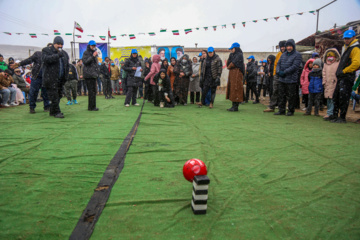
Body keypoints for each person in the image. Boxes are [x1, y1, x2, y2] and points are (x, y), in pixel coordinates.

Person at [331, 30, 360, 123]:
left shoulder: (355, 48)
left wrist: (344, 71)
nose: (346, 40)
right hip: (341, 76)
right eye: (345, 38)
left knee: (344, 96)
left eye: (348, 38)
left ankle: (342, 117)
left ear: (354, 37)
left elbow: (356, 63)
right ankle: (334, 115)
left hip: (347, 76)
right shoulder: (346, 47)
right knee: (336, 96)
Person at [42, 36, 69, 118]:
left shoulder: (64, 53)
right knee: (54, 96)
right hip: (50, 78)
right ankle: (57, 112)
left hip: (60, 79)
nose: (60, 46)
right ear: (54, 44)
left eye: (61, 44)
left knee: (59, 95)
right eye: (58, 44)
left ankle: (52, 111)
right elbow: (46, 60)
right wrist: (57, 55)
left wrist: (66, 77)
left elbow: (66, 66)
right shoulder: (46, 50)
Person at [19, 44, 50, 113]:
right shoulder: (38, 54)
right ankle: (32, 107)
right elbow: (29, 60)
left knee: (46, 93)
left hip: (46, 78)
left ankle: (47, 106)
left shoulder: (51, 57)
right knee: (33, 93)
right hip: (36, 77)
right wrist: (19, 64)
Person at [275, 39, 302, 116]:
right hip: (282, 78)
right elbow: (278, 64)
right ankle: (281, 110)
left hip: (291, 79)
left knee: (291, 96)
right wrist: (278, 71)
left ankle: (291, 110)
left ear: (293, 46)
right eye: (287, 46)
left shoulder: (297, 55)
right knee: (281, 95)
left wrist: (285, 72)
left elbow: (295, 66)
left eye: (290, 46)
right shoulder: (283, 54)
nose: (289, 48)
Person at [264, 41, 286, 112]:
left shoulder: (289, 54)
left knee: (284, 92)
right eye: (281, 47)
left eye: (283, 46)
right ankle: (272, 106)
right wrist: (274, 74)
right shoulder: (279, 54)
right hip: (277, 75)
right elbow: (276, 64)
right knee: (275, 91)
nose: (282, 48)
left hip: (286, 75)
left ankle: (282, 107)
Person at [322, 48, 340, 120]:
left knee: (333, 98)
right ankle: (329, 112)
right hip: (327, 84)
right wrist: (324, 82)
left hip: (334, 83)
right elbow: (324, 73)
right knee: (328, 99)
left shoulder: (338, 63)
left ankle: (332, 113)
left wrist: (337, 81)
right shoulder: (325, 64)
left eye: (332, 56)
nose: (330, 57)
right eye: (328, 56)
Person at [226, 42, 244, 112]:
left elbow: (233, 63)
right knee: (232, 89)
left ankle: (235, 106)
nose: (231, 50)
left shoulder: (239, 55)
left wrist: (230, 65)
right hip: (232, 73)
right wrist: (230, 58)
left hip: (237, 73)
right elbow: (228, 63)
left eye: (232, 49)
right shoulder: (232, 55)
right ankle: (233, 105)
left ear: (236, 48)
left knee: (236, 88)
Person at [82, 40, 100, 111]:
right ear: (89, 45)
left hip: (93, 75)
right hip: (88, 75)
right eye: (92, 45)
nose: (93, 47)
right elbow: (85, 62)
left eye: (94, 46)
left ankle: (93, 106)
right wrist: (93, 56)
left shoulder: (94, 53)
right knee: (91, 91)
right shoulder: (86, 53)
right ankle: (91, 107)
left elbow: (95, 64)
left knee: (94, 91)